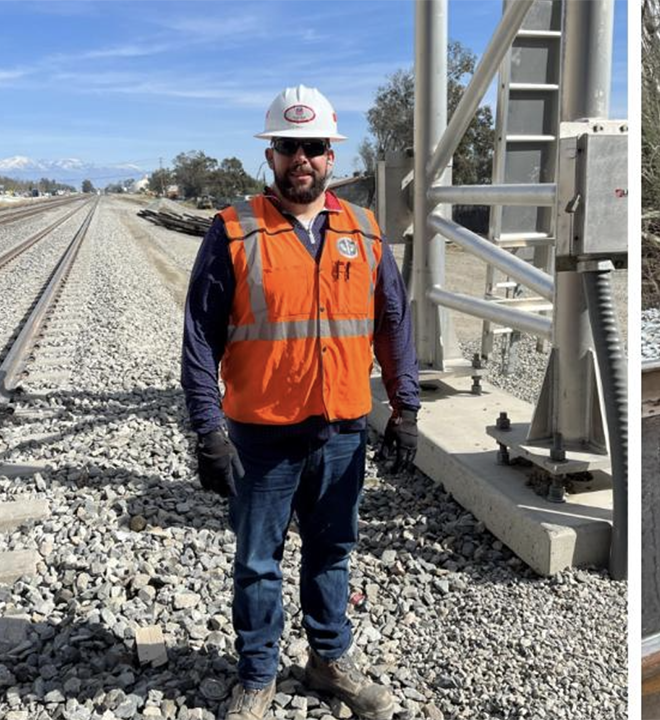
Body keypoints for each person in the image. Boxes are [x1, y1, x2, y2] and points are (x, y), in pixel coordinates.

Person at [181, 85, 420, 720]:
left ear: (331, 156)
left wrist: (406, 408)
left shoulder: (364, 231)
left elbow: (392, 322)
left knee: (332, 549)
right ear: (272, 154)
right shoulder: (233, 231)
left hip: (342, 430)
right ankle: (258, 675)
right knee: (258, 561)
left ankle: (327, 659)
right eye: (289, 147)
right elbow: (200, 337)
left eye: (314, 146)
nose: (302, 159)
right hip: (260, 435)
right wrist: (208, 430)